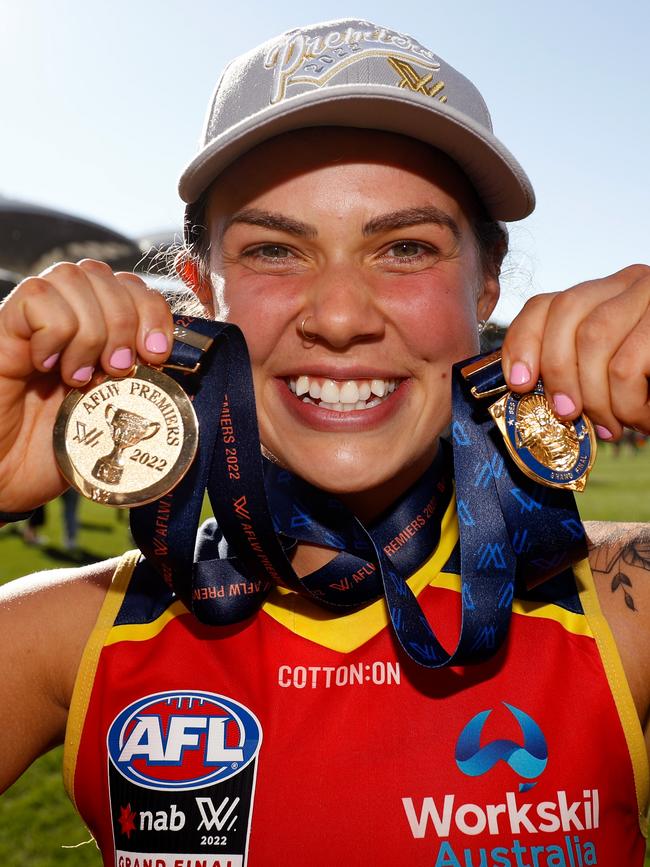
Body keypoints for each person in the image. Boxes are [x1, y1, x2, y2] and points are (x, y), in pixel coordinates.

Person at [1, 17, 649, 867]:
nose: (340, 317)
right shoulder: (73, 633)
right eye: (275, 250)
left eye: (405, 247)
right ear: (200, 293)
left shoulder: (616, 609)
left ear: (485, 282)